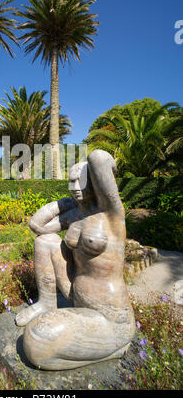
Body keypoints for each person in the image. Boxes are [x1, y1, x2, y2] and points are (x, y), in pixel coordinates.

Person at [15, 149, 135, 370]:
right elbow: (37, 226)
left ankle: (115, 349)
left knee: (36, 341)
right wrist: (62, 204)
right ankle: (46, 303)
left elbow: (97, 157)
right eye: (71, 182)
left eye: (81, 181)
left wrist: (107, 168)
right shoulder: (75, 215)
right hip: (74, 294)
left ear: (94, 182)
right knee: (46, 241)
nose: (75, 187)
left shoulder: (111, 214)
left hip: (108, 314)